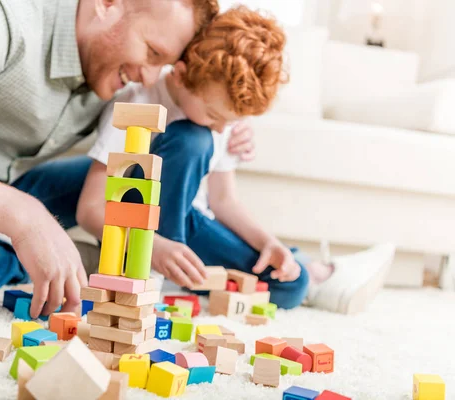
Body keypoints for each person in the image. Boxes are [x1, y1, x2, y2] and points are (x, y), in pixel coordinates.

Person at [0, 0, 238, 319]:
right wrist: (24, 218)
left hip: (11, 189)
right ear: (107, 4)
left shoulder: (117, 69)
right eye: (152, 52)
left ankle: (81, 257)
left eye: (165, 63)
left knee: (177, 147)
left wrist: (225, 121)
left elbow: (184, 106)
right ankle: (18, 264)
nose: (150, 74)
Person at [77, 6, 395, 314]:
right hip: (135, 217)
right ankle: (147, 273)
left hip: (190, 220)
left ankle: (312, 268)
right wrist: (153, 246)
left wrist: (267, 241)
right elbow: (91, 207)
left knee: (292, 284)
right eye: (215, 115)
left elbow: (224, 200)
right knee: (194, 139)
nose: (220, 129)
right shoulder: (140, 101)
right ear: (182, 74)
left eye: (228, 121)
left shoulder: (222, 122)